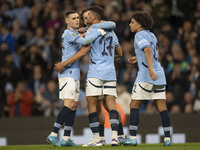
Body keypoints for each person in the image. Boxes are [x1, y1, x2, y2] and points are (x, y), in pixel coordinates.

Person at [55, 6, 123, 147]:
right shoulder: (111, 31)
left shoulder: (90, 32)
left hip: (95, 73)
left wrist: (64, 63)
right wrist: (109, 58)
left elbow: (83, 49)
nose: (84, 21)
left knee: (93, 106)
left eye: (86, 17)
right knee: (111, 105)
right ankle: (116, 137)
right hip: (110, 72)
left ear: (94, 16)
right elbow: (120, 53)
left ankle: (97, 139)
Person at [46, 10, 106, 147]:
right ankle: (53, 133)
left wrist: (85, 31)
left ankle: (66, 138)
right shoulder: (68, 34)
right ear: (67, 21)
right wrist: (98, 32)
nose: (77, 20)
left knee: (73, 106)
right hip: (68, 74)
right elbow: (85, 42)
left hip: (74, 73)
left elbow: (82, 38)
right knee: (68, 105)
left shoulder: (73, 33)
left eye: (78, 18)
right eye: (73, 18)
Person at [123, 11, 171, 146]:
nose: (129, 24)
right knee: (162, 106)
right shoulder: (152, 35)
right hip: (160, 75)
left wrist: (149, 69)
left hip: (146, 75)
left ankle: (132, 138)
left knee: (134, 104)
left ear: (139, 24)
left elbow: (148, 50)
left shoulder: (139, 35)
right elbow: (151, 52)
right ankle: (167, 139)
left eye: (132, 22)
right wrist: (137, 57)